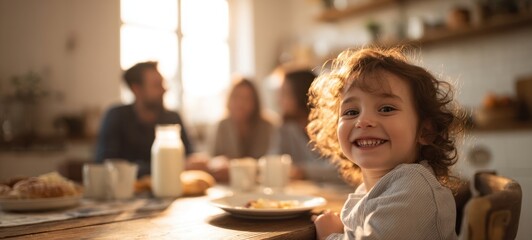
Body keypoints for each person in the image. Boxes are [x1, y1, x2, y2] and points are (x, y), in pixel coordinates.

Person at [308, 47, 465, 240]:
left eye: (386, 108)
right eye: (351, 112)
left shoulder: (414, 186)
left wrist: (329, 235)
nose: (363, 121)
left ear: (425, 131)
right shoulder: (372, 190)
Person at [95, 61, 194, 178]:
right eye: (157, 85)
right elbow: (107, 165)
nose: (164, 90)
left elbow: (188, 158)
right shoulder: (117, 117)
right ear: (136, 89)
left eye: (163, 84)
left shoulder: (172, 118)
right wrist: (169, 167)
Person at [272, 68, 341, 183]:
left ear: (300, 93)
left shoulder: (332, 125)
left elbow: (341, 168)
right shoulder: (285, 128)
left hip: (336, 194)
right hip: (303, 192)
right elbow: (274, 160)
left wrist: (303, 171)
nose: (278, 100)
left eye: (284, 93)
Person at [210, 77, 276, 160]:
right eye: (236, 97)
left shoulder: (268, 127)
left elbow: (272, 157)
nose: (240, 104)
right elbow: (214, 158)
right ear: (229, 100)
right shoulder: (222, 125)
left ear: (255, 103)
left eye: (246, 98)